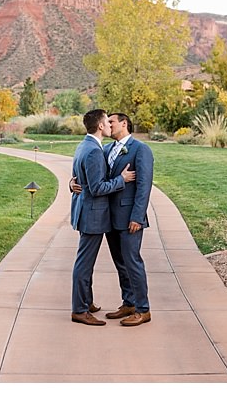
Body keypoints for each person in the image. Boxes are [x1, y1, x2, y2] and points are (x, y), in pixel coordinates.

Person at [70, 109, 135, 326]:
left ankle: (86, 302)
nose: (109, 125)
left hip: (86, 211)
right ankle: (79, 310)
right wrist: (122, 179)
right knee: (84, 264)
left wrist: (72, 184)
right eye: (107, 122)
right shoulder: (94, 152)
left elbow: (80, 178)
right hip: (93, 215)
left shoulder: (84, 145)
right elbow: (97, 188)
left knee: (85, 262)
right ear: (100, 126)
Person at [102, 113, 154, 326]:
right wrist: (72, 182)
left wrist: (137, 217)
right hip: (109, 217)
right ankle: (129, 303)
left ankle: (143, 309)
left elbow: (144, 186)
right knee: (120, 263)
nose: (108, 126)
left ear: (124, 123)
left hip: (130, 217)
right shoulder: (106, 149)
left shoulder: (140, 149)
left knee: (132, 262)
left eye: (111, 122)